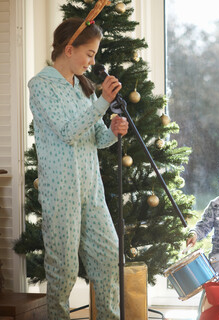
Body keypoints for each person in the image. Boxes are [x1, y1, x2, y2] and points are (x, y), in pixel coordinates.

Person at [28, 17, 128, 320]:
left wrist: (112, 129)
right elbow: (67, 132)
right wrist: (101, 103)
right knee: (64, 270)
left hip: (91, 188)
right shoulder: (41, 85)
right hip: (61, 193)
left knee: (110, 256)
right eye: (89, 53)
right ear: (69, 49)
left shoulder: (81, 88)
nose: (93, 62)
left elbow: (94, 137)